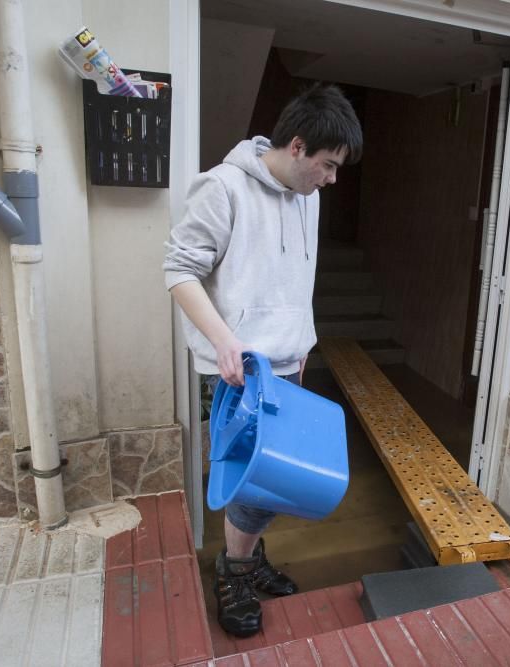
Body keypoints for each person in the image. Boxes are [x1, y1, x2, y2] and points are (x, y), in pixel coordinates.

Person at [163, 84, 362, 636]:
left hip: (290, 362)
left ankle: (248, 557)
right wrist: (226, 340)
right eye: (327, 164)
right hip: (237, 370)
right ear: (296, 147)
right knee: (250, 483)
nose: (332, 178)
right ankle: (234, 571)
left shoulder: (309, 197)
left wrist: (301, 341)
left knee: (272, 478)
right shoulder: (222, 188)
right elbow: (178, 270)